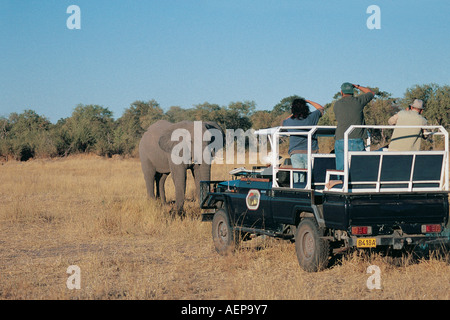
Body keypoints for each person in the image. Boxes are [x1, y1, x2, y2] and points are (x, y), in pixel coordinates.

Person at [333, 82, 374, 170]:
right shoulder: (359, 101)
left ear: (341, 92)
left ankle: (341, 183)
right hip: (356, 139)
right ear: (353, 91)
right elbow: (371, 93)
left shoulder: (336, 104)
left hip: (340, 139)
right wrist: (358, 86)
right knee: (358, 169)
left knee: (341, 170)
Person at [282, 98, 324, 169]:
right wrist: (308, 101)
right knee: (310, 177)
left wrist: (294, 113)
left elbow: (284, 121)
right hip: (311, 151)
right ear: (306, 108)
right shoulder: (312, 117)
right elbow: (321, 108)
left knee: (298, 177)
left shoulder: (289, 121)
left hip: (295, 152)